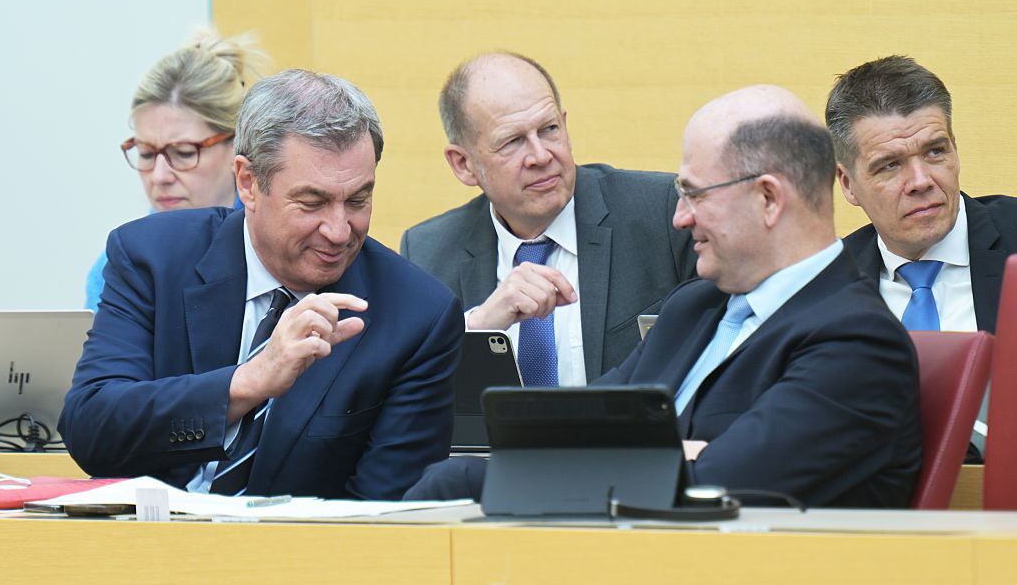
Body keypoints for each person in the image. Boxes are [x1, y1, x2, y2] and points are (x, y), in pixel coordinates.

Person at [408, 85, 921, 508]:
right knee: (445, 482)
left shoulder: (858, 343)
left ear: (767, 198)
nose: (679, 218)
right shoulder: (693, 307)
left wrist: (677, 456)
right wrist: (679, 451)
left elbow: (719, 487)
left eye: (694, 194)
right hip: (629, 555)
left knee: (457, 487)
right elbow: (561, 425)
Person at [61, 69, 464, 500]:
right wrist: (249, 382)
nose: (339, 230)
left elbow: (384, 515)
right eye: (312, 203)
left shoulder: (418, 316)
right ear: (249, 183)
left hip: (301, 559)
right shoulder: (154, 259)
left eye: (358, 200)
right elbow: (91, 430)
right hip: (147, 550)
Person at [400, 52, 696, 384]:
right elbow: (409, 389)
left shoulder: (662, 213)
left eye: (549, 129)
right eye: (512, 142)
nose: (541, 156)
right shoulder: (428, 253)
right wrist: (477, 328)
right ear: (464, 165)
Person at [826, 55, 1017, 334]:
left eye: (935, 151)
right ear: (848, 184)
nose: (921, 181)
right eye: (890, 164)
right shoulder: (824, 286)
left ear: (955, 148)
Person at [85, 26, 268, 310]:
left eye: (183, 153)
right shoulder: (116, 267)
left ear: (238, 147)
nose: (159, 177)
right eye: (146, 153)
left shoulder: (278, 252)